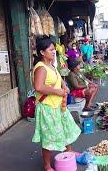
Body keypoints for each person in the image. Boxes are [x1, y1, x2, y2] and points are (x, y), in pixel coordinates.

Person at [32, 36, 81, 171]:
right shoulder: (41, 67)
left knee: (65, 130)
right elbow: (38, 87)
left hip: (59, 106)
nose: (54, 52)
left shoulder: (51, 66)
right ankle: (47, 166)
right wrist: (57, 92)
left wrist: (64, 86)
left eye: (54, 49)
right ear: (42, 52)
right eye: (51, 50)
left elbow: (58, 80)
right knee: (49, 137)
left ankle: (69, 153)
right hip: (48, 107)